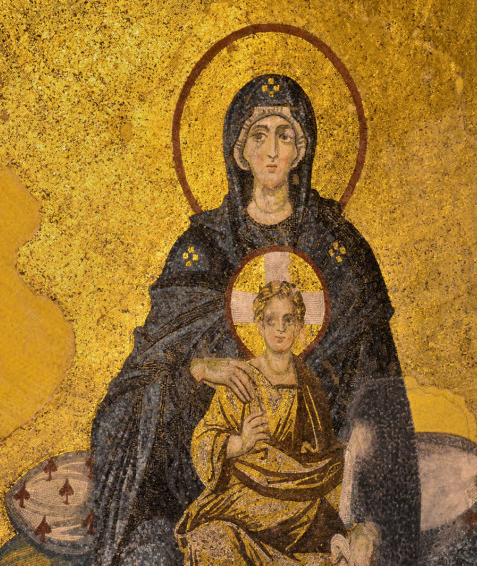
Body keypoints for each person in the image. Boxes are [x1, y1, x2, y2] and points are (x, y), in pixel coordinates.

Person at [90, 74, 420, 565]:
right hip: (222, 486)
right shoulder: (203, 249)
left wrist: (368, 519)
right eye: (259, 135)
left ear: (302, 149)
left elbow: (379, 398)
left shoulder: (340, 249)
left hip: (315, 490)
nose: (272, 152)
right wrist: (199, 370)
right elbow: (137, 389)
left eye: (285, 135)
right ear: (239, 151)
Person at [176, 281, 345, 563]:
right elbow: (204, 439)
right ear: (259, 326)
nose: (280, 329)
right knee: (213, 540)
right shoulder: (241, 378)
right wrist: (240, 443)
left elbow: (321, 452)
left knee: (322, 509)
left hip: (297, 493)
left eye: (288, 320)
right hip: (244, 496)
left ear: (299, 327)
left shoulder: (309, 385)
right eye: (271, 320)